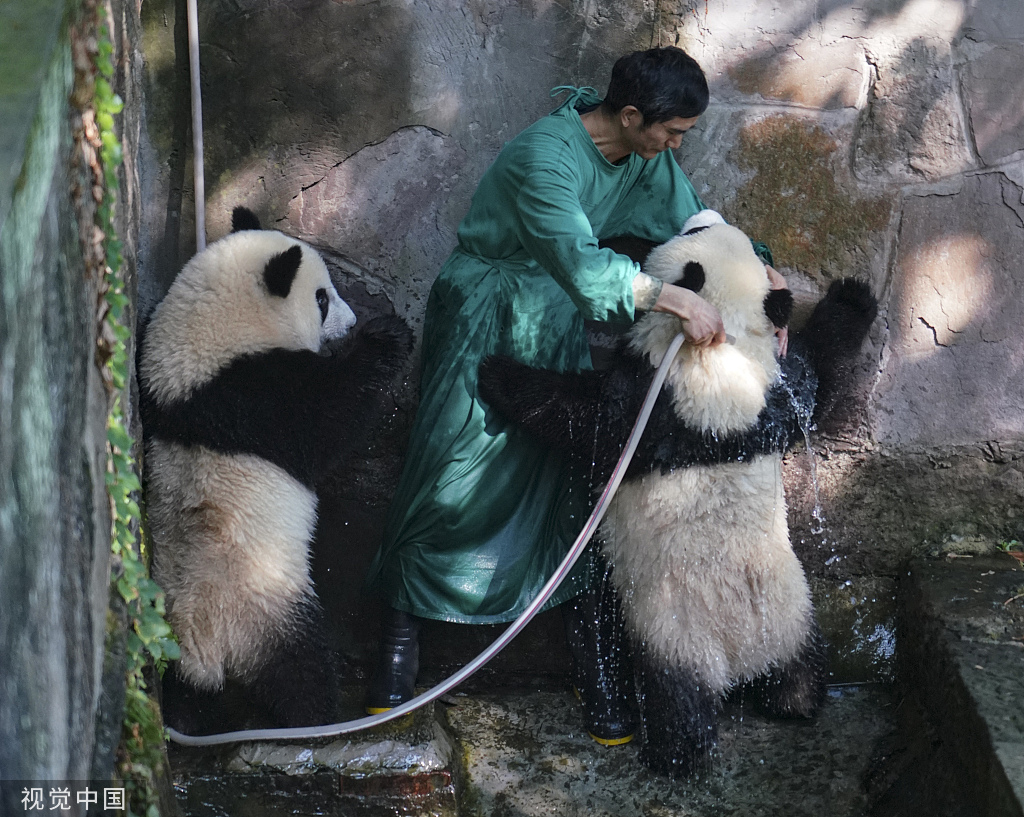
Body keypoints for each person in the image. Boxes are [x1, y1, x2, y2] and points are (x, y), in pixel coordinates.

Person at [364, 46, 785, 743]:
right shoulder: (545, 157)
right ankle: (397, 651)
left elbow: (697, 223)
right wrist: (671, 297)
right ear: (629, 116)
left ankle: (596, 674)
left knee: (570, 481)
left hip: (550, 313)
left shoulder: (646, 158)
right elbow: (582, 267)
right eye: (672, 133)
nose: (677, 148)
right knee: (446, 473)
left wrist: (758, 272)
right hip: (486, 310)